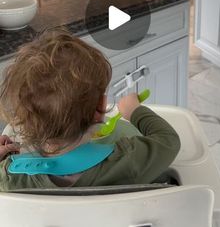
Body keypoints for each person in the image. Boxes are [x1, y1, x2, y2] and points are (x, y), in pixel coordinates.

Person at [0, 29, 180, 191]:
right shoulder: (128, 160)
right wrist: (135, 111)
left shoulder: (10, 177)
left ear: (22, 119)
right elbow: (169, 140)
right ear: (100, 107)